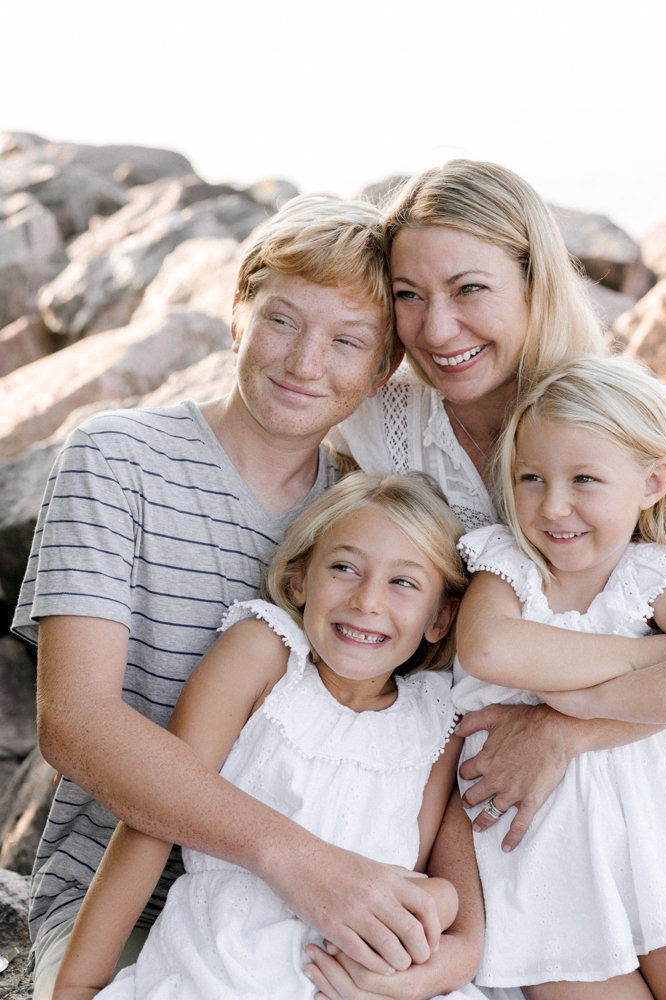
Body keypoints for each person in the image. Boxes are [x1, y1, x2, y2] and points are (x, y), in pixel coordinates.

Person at [11, 194, 472, 1000]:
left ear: (382, 371)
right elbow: (74, 724)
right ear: (236, 314)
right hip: (129, 905)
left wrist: (440, 942)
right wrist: (303, 864)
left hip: (325, 925)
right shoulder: (117, 459)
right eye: (283, 321)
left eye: (347, 342)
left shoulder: (366, 524)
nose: (304, 363)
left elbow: (423, 734)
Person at [333, 158, 666, 848]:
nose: (438, 329)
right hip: (444, 790)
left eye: (469, 289)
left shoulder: (632, 417)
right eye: (409, 295)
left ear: (533, 281)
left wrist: (563, 730)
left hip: (619, 772)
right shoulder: (380, 422)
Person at [52, 472, 486, 1000]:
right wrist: (79, 984)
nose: (368, 601)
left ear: (440, 617)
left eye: (404, 582)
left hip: (347, 982)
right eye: (345, 568)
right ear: (301, 580)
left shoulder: (437, 718)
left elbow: (409, 877)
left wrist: (436, 904)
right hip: (222, 971)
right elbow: (153, 816)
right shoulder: (266, 653)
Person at [453, 355, 666, 998]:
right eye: (531, 478)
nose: (554, 505)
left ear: (652, 483)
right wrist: (652, 658)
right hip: (546, 867)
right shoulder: (506, 563)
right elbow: (489, 647)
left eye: (585, 479)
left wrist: (582, 698)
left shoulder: (654, 573)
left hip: (662, 847)